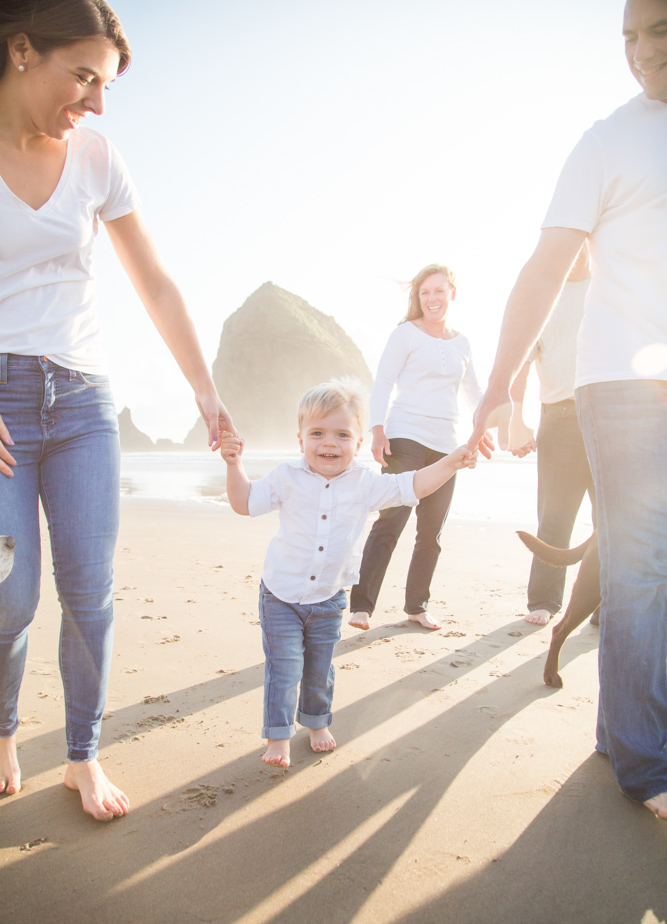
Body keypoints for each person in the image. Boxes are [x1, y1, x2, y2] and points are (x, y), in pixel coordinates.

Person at [0, 1, 234, 821]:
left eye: (106, 85)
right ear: (22, 50)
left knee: (89, 591)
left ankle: (81, 755)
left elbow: (155, 282)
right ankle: (3, 729)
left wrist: (205, 390)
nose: (96, 102)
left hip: (83, 404)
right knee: (9, 595)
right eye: (84, 77)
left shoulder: (98, 158)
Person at [469, 0, 667, 819]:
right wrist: (498, 385)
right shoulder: (605, 142)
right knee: (638, 569)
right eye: (627, 35)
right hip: (618, 385)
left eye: (656, 30)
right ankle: (644, 762)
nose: (639, 50)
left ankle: (623, 732)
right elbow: (544, 267)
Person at [220, 378, 478, 769]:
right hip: (281, 596)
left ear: (358, 444)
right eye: (317, 433)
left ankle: (317, 723)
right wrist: (234, 465)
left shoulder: (365, 484)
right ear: (301, 440)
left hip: (328, 599)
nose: (330, 443)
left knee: (319, 670)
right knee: (284, 669)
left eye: (342, 434)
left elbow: (413, 485)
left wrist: (451, 462)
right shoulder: (286, 477)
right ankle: (278, 736)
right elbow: (244, 503)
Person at [348, 264, 485, 633]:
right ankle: (362, 606)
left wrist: (484, 428)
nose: (432, 298)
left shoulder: (463, 343)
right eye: (425, 292)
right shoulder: (405, 334)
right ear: (418, 297)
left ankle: (416, 606)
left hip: (446, 445)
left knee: (431, 533)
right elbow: (383, 384)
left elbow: (474, 393)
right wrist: (378, 430)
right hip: (405, 436)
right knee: (391, 521)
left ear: (452, 293)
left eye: (438, 291)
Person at [510, 245, 596, 627]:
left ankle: (605, 603)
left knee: (611, 519)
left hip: (606, 417)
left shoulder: (607, 287)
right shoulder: (544, 298)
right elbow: (520, 366)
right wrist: (516, 421)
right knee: (555, 518)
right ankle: (544, 601)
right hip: (559, 419)